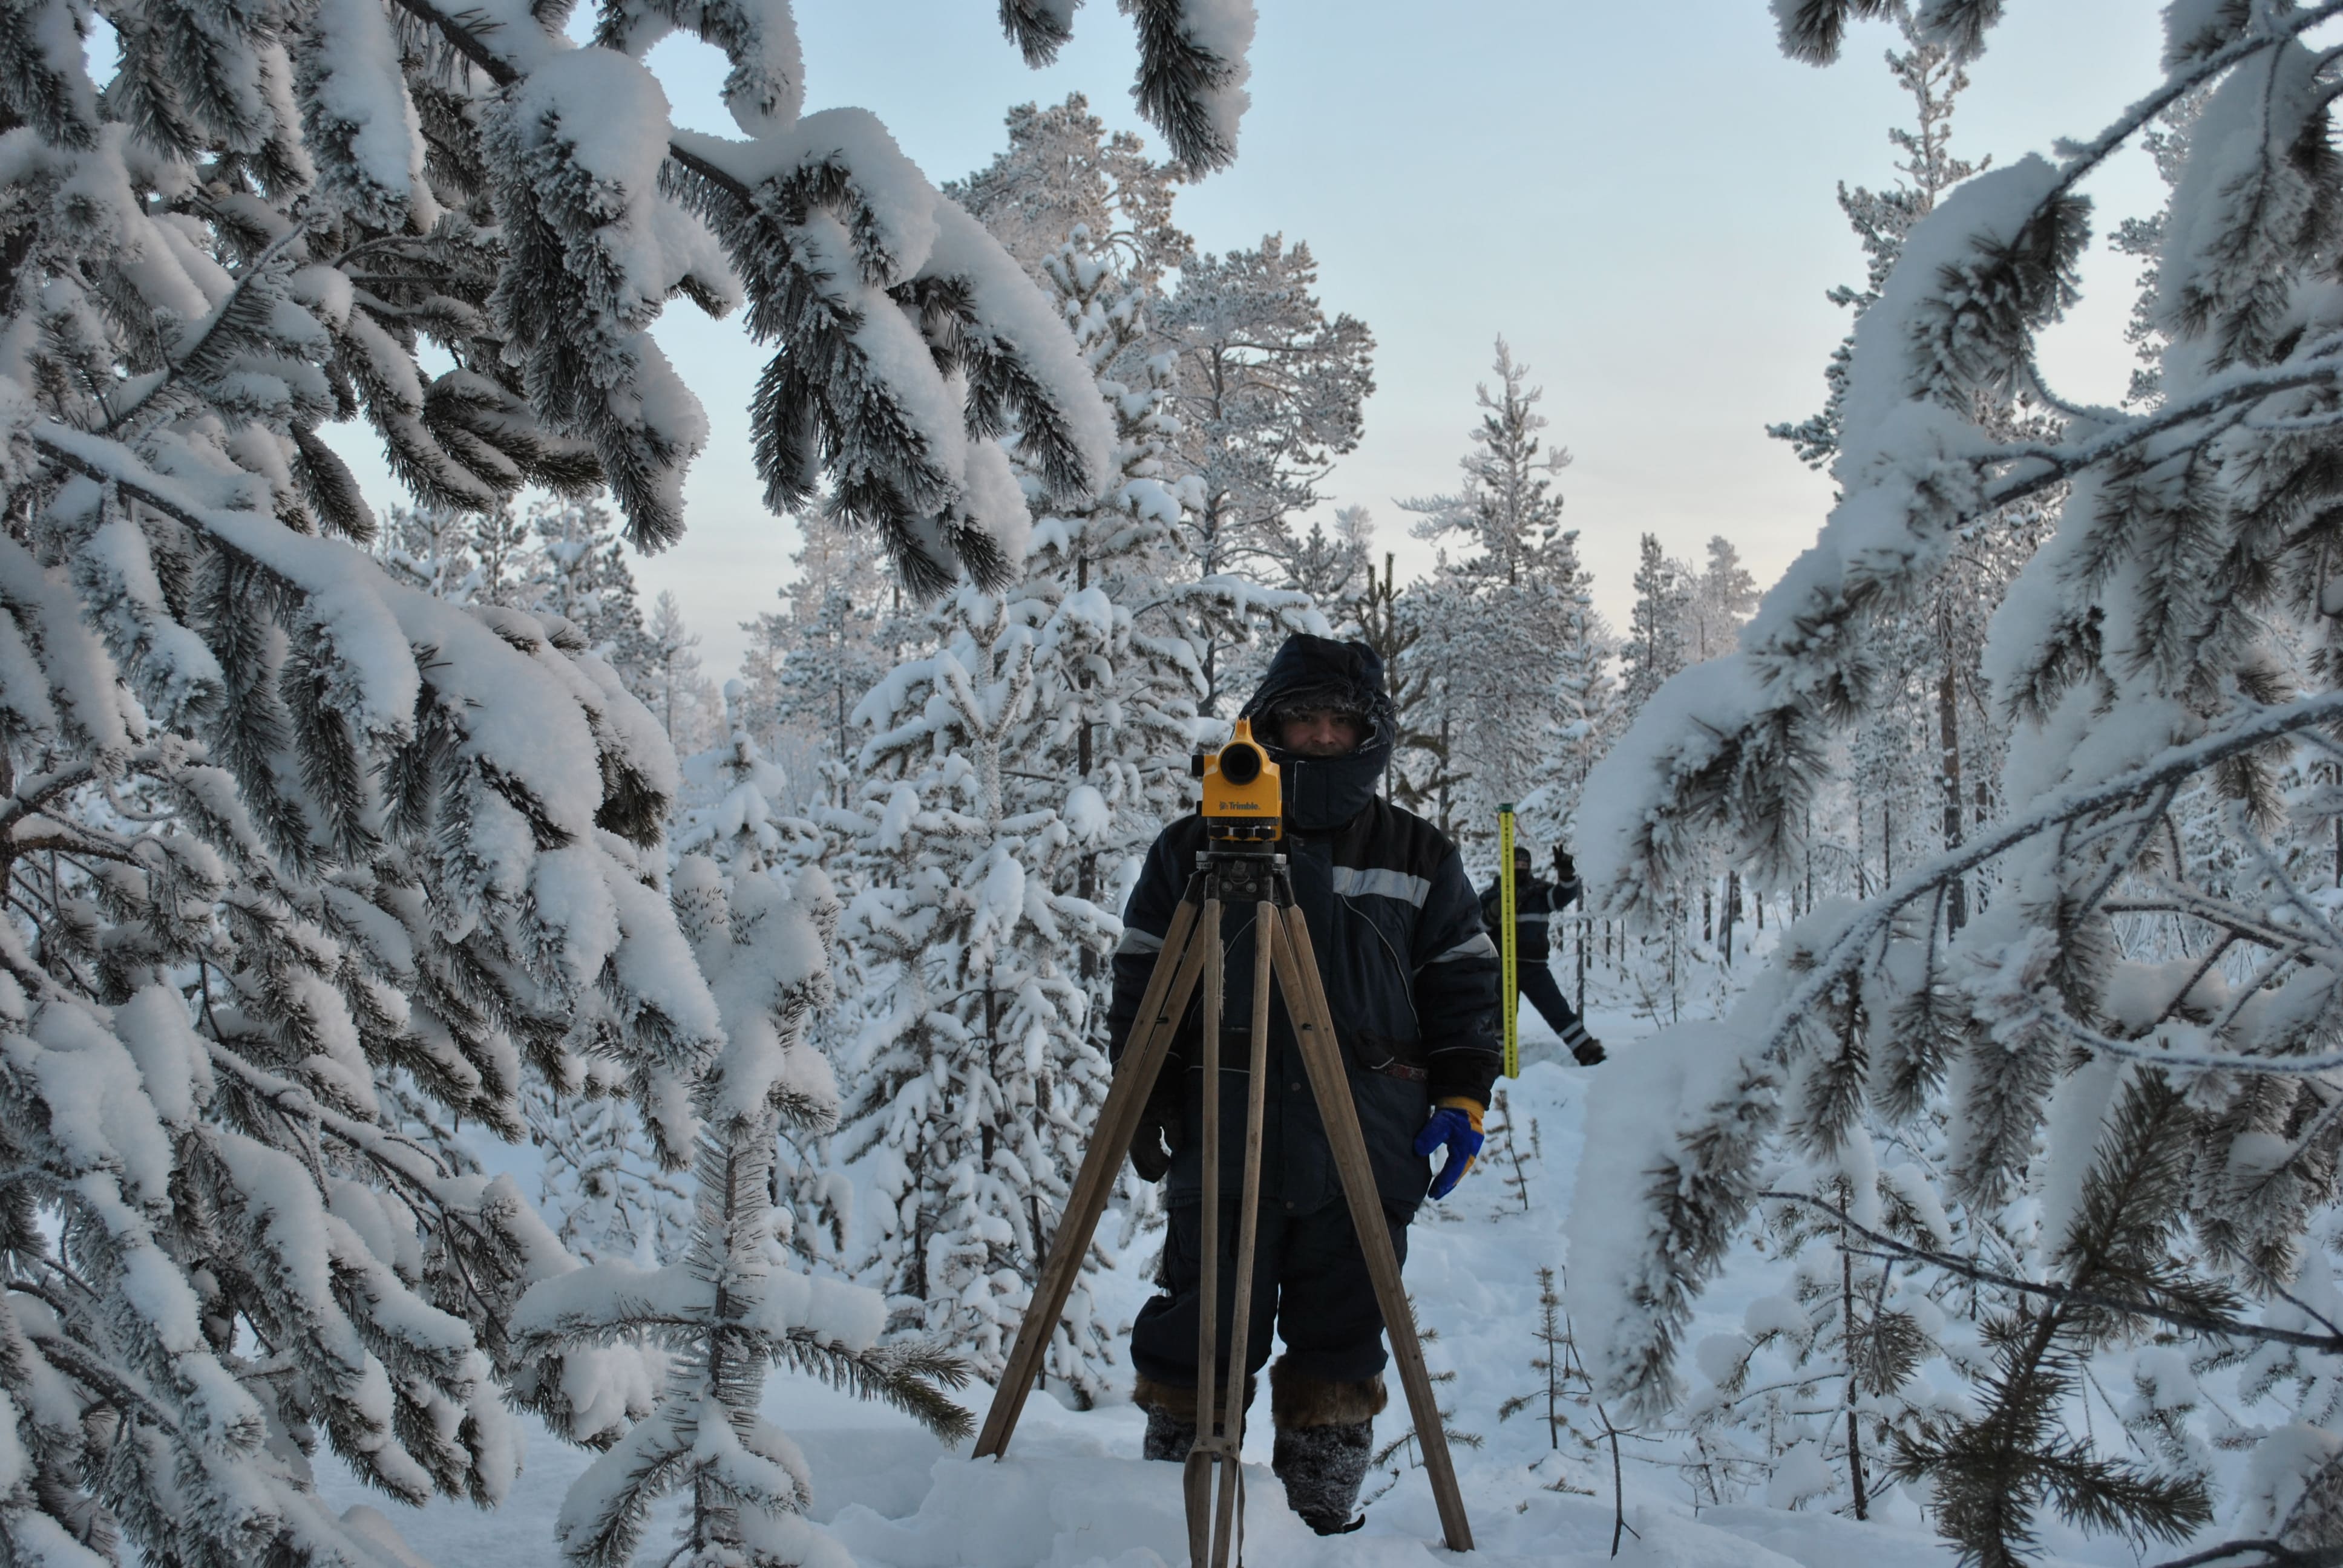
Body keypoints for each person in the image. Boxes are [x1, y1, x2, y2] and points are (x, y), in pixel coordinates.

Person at [1104, 633, 1501, 1536]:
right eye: (1303, 718)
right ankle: (1173, 1511)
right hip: (1223, 1130)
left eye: (1340, 722)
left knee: (1343, 1327)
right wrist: (1145, 1090)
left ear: (1371, 733)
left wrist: (1463, 1097)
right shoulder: (1192, 846)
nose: (1321, 737)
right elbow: (1142, 977)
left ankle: (1319, 1520)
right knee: (1204, 1325)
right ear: (1268, 723)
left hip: (1366, 1135)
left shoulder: (1417, 852)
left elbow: (1464, 984)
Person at [1480, 843, 1606, 1066]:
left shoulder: (1539, 893)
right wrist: (1492, 913)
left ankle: (1589, 1053)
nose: (1520, 867)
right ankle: (1497, 1065)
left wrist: (1566, 873)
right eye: (1515, 863)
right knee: (1497, 1019)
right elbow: (1477, 929)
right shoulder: (1491, 895)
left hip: (1534, 967)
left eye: (1524, 863)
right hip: (1502, 968)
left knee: (1557, 1009)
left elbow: (1564, 895)